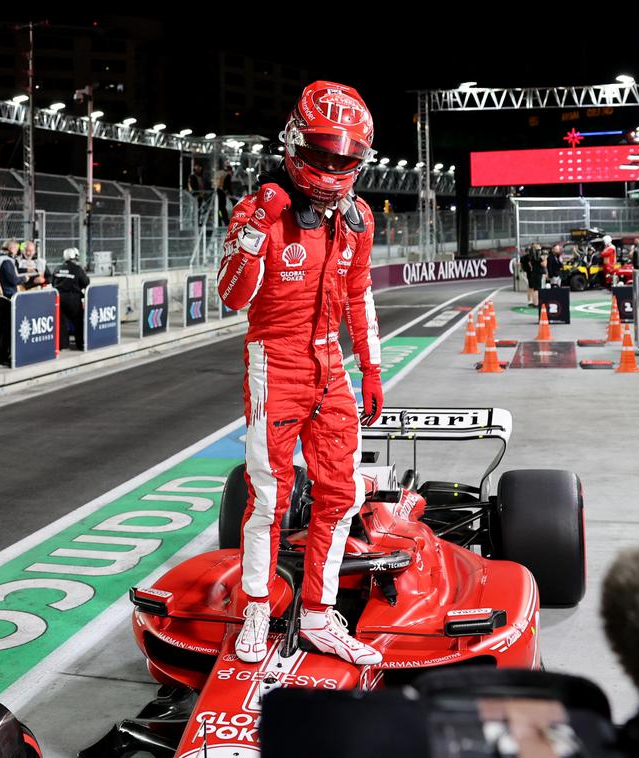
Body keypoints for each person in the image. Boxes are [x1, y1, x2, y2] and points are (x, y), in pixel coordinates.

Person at [217, 80, 384, 667]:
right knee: (270, 497)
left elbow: (360, 294)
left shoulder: (359, 218)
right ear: (293, 143)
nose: (333, 165)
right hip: (274, 359)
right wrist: (257, 231)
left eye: (345, 156)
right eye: (321, 152)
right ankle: (255, 606)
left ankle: (317, 614)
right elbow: (233, 297)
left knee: (340, 494)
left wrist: (372, 367)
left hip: (330, 362)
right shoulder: (263, 205)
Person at [0, 239, 26, 368]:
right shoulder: (6, 261)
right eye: (16, 249)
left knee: (1, 330)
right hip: (6, 298)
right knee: (6, 330)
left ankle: (2, 357)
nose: (18, 251)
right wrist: (25, 278)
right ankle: (4, 358)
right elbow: (13, 280)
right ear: (11, 249)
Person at [53, 247, 91, 350]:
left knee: (62, 323)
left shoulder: (57, 268)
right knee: (78, 322)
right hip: (73, 298)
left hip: (59, 298)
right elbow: (85, 282)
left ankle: (62, 345)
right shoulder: (77, 269)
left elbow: (53, 283)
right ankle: (81, 344)